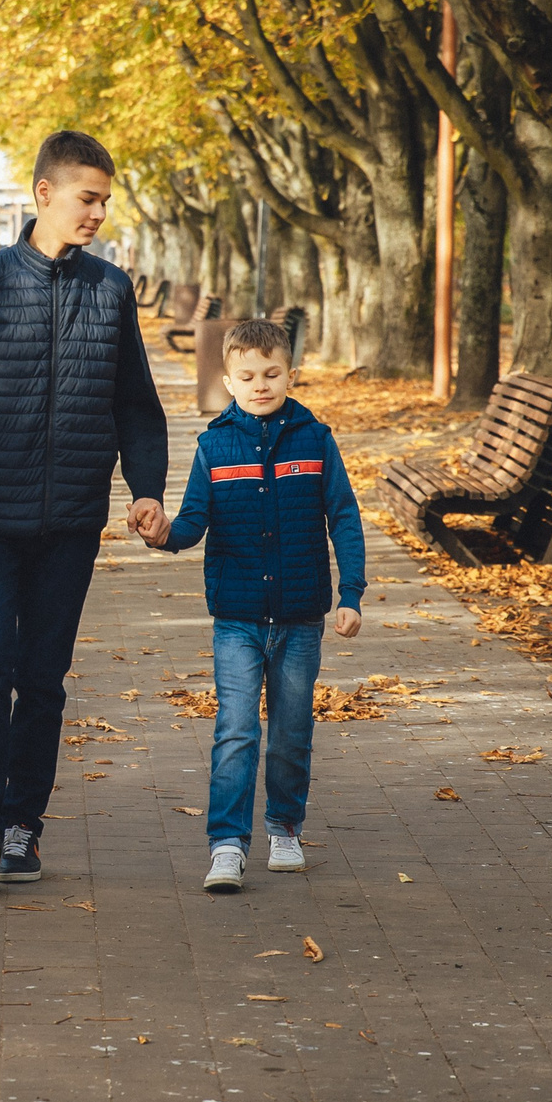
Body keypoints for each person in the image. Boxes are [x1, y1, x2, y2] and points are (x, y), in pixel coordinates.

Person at [0, 130, 171, 888]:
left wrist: (148, 488)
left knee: (44, 677)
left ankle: (22, 825)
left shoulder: (111, 289)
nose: (97, 213)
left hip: (71, 522)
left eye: (104, 202)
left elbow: (136, 404)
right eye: (87, 198)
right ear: (44, 193)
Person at [153, 317, 365, 894]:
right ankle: (227, 844)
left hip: (300, 617)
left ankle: (284, 828)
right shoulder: (213, 445)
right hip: (238, 618)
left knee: (291, 733)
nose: (260, 385)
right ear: (228, 381)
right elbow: (193, 521)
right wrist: (163, 534)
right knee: (236, 731)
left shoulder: (315, 440)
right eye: (247, 377)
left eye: (272, 374)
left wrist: (350, 594)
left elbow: (344, 517)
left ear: (291, 375)